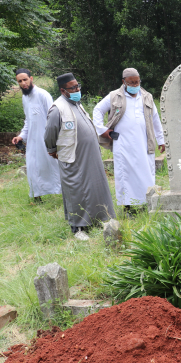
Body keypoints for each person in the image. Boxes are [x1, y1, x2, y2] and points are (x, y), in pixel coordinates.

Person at [45, 73, 115, 239]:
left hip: (89, 155)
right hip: (73, 157)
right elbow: (49, 133)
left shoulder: (76, 103)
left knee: (94, 185)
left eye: (78, 86)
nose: (77, 90)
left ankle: (99, 217)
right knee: (76, 188)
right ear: (63, 90)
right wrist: (52, 149)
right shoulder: (57, 108)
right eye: (73, 87)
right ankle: (78, 227)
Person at [92, 68, 165, 214]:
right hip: (123, 145)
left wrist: (161, 140)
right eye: (131, 82)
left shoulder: (147, 97)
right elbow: (97, 110)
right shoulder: (114, 96)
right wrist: (102, 130)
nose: (134, 85)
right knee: (125, 176)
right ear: (123, 82)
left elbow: (155, 119)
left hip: (144, 143)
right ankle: (128, 207)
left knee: (146, 173)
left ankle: (147, 204)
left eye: (137, 82)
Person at [11, 68, 61, 201]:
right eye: (20, 81)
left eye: (25, 80)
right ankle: (36, 196)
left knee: (53, 166)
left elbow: (54, 117)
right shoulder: (25, 97)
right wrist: (21, 136)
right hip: (33, 141)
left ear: (31, 79)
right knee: (33, 166)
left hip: (48, 139)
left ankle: (63, 192)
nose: (23, 83)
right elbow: (28, 120)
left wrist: (54, 139)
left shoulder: (43, 95)